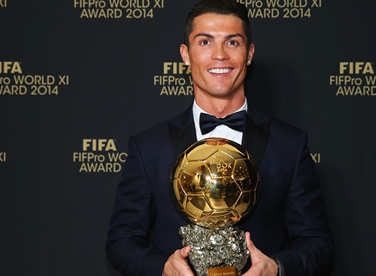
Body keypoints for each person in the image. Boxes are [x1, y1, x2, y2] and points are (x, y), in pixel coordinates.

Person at [106, 0, 333, 275]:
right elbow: (121, 242)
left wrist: (275, 268)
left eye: (232, 43)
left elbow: (318, 244)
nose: (219, 55)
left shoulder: (289, 145)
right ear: (185, 54)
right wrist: (163, 267)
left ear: (249, 54)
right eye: (205, 42)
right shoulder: (148, 148)